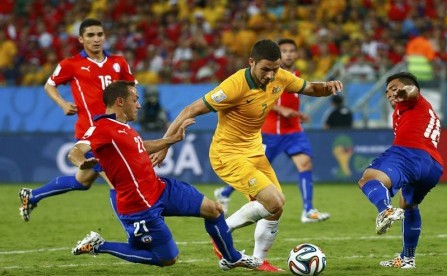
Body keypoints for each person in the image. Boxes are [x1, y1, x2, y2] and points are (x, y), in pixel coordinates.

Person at [151, 39, 343, 271]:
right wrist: (165, 145)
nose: (271, 76)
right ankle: (222, 230)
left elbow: (311, 88)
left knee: (276, 208)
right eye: (265, 70)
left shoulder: (280, 76)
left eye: (275, 69)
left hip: (254, 150)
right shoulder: (234, 86)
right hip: (228, 154)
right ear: (251, 62)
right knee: (274, 201)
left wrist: (328, 86)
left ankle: (258, 261)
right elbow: (189, 110)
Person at [68, 81, 261, 271]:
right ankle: (99, 245)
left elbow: (140, 146)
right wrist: (81, 162)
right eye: (135, 100)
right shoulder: (101, 127)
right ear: (120, 101)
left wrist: (171, 140)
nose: (139, 104)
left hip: (160, 189)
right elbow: (75, 151)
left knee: (214, 210)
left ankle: (232, 258)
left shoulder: (123, 126)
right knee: (168, 258)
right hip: (139, 205)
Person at [18, 18, 136, 221]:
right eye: (90, 35)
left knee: (82, 182)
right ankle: (134, 233)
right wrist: (63, 104)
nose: (96, 39)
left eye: (99, 34)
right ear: (81, 39)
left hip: (116, 132)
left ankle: (33, 196)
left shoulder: (119, 62)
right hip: (92, 134)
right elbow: (49, 85)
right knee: (119, 183)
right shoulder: (71, 64)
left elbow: (131, 90)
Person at [214, 38, 330, 223]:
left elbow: (308, 90)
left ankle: (308, 210)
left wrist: (298, 113)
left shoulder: (295, 76)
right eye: (285, 51)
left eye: (292, 50)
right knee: (254, 173)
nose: (289, 54)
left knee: (305, 164)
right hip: (269, 132)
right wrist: (280, 109)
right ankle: (225, 192)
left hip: (293, 131)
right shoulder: (264, 75)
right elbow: (257, 100)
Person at [357, 72, 443, 269]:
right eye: (387, 91)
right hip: (432, 166)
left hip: (410, 154)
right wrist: (400, 94)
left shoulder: (414, 100)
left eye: (393, 88)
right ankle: (407, 259)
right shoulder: (406, 112)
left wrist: (404, 91)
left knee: (368, 179)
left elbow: (412, 91)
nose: (390, 94)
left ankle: (385, 209)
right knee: (408, 204)